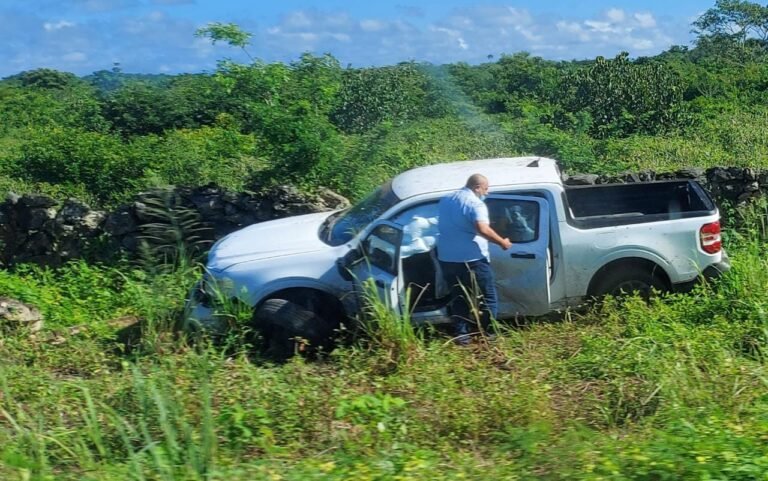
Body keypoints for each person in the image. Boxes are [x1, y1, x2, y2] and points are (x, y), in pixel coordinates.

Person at [437, 174, 512, 345]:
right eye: (486, 189)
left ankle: (462, 336)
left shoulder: (446, 199)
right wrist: (502, 242)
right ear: (477, 187)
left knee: (459, 296)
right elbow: (482, 229)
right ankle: (489, 334)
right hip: (472, 259)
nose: (487, 192)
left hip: (447, 258)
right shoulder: (475, 203)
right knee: (488, 296)